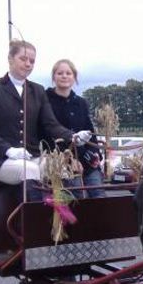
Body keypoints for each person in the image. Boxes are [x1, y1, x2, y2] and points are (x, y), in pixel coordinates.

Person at [0, 40, 92, 199]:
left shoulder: (37, 90)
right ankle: (33, 222)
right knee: (29, 170)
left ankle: (66, 220)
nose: (28, 64)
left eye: (32, 61)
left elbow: (51, 124)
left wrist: (73, 136)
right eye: (23, 59)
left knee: (61, 169)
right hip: (0, 160)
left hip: (33, 156)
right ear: (10, 59)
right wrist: (8, 150)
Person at [46, 59, 105, 198]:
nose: (64, 76)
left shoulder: (81, 103)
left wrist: (93, 154)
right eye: (60, 73)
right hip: (60, 161)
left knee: (98, 193)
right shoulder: (45, 100)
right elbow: (47, 131)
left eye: (68, 73)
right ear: (54, 77)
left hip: (86, 159)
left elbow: (91, 132)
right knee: (76, 193)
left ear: (74, 77)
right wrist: (70, 160)